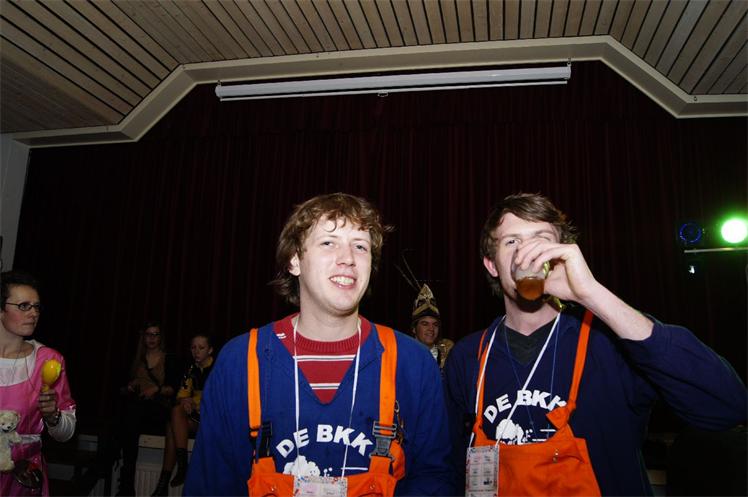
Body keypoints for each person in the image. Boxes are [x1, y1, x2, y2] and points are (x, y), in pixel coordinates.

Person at [444, 192, 747, 496]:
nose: (528, 253)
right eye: (512, 241)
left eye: (541, 239)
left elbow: (726, 407)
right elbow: (450, 463)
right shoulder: (468, 356)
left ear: (561, 253)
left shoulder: (610, 341)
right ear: (492, 265)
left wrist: (590, 293)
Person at [184, 193, 454, 496]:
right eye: (328, 242)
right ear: (294, 260)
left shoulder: (413, 364)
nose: (348, 258)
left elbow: (433, 479)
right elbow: (209, 484)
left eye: (360, 246)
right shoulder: (240, 362)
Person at [0, 270, 76, 496]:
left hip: (21, 479)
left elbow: (65, 433)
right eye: (24, 306)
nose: (33, 313)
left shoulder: (49, 361)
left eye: (36, 307)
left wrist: (53, 416)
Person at [116, 322, 179, 496]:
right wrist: (130, 386)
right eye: (149, 334)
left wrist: (155, 389)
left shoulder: (168, 358)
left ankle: (126, 485)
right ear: (143, 337)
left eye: (156, 334)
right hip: (137, 408)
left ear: (161, 338)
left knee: (131, 414)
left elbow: (173, 389)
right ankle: (127, 485)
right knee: (127, 417)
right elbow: (122, 388)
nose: (152, 338)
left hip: (158, 408)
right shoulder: (137, 359)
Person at [151, 334, 214, 496]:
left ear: (210, 350)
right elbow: (182, 393)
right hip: (196, 418)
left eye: (201, 348)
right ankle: (180, 467)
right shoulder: (191, 369)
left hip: (211, 421)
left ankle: (164, 483)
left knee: (171, 426)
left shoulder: (217, 369)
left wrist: (195, 402)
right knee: (175, 414)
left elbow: (219, 399)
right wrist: (185, 400)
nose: (196, 351)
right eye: (193, 347)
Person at [410, 284, 453, 371]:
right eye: (425, 324)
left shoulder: (447, 353)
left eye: (435, 324)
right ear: (414, 329)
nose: (431, 328)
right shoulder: (403, 353)